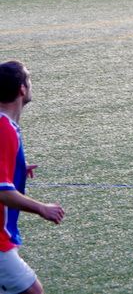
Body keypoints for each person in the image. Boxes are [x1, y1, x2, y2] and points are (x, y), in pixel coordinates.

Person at [0, 61, 65, 294]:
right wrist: (41, 208)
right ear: (22, 89)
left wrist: (17, 166)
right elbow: (2, 192)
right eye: (28, 79)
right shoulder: (4, 129)